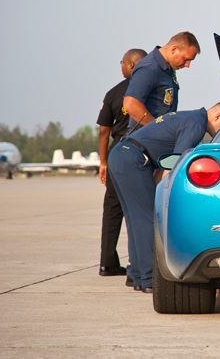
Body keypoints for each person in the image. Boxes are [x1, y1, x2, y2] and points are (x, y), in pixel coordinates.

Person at [108, 101, 220, 293]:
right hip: (132, 158)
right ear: (218, 116)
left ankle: (136, 274)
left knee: (136, 219)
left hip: (121, 154)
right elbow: (175, 164)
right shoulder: (196, 124)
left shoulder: (188, 116)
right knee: (148, 220)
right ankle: (150, 278)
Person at [96, 48, 147, 277]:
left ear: (130, 65)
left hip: (118, 152)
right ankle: (139, 263)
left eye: (122, 63)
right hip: (143, 150)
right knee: (140, 209)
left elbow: (104, 132)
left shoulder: (114, 93)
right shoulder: (152, 91)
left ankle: (107, 263)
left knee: (113, 209)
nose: (121, 67)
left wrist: (104, 162)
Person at [123, 31, 200, 129]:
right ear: (174, 49)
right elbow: (130, 103)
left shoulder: (168, 68)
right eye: (186, 59)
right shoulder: (149, 67)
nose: (187, 65)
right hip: (145, 139)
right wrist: (157, 129)